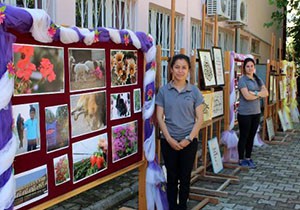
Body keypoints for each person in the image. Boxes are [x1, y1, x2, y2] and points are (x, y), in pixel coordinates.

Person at [156, 54, 204, 210]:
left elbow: (199, 119)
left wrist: (188, 139)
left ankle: (182, 206)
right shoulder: (164, 91)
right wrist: (169, 139)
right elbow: (159, 117)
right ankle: (171, 207)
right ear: (171, 69)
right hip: (168, 141)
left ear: (189, 70)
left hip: (189, 142)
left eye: (184, 67)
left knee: (185, 178)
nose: (180, 71)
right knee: (171, 177)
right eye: (177, 67)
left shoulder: (194, 92)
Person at [237, 57, 268, 168]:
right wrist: (259, 94)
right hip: (245, 114)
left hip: (256, 113)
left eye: (251, 66)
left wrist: (254, 93)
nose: (250, 68)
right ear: (244, 68)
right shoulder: (242, 80)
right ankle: (241, 159)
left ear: (254, 67)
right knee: (244, 136)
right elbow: (246, 96)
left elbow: (266, 93)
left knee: (251, 136)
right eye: (247, 66)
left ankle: (248, 158)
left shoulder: (258, 79)